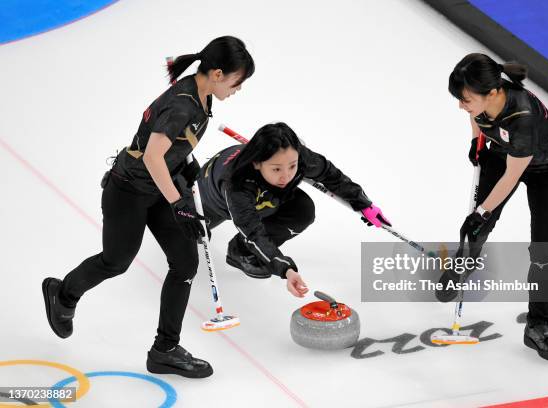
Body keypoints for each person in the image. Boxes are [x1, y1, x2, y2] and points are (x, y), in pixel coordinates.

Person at [42, 36, 255, 378]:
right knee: (116, 261)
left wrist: (188, 176)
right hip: (128, 191)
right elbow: (154, 156)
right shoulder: (183, 104)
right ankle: (62, 294)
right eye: (237, 81)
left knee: (185, 262)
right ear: (217, 74)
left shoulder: (201, 95)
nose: (238, 88)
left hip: (160, 186)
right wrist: (180, 205)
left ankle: (165, 351)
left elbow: (172, 150)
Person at [437, 53, 548, 361]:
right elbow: (477, 114)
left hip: (546, 169)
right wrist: (477, 140)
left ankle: (538, 325)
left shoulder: (523, 118)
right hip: (502, 152)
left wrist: (481, 211)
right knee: (476, 228)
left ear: (493, 93)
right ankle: (462, 266)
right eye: (459, 98)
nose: (461, 105)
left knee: (543, 252)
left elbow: (513, 175)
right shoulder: (483, 99)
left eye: (465, 99)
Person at [193, 122, 390, 297]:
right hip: (211, 201)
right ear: (257, 163)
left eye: (292, 166)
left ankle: (240, 253)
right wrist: (285, 268)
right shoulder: (236, 185)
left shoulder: (298, 157)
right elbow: (252, 232)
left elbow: (330, 175)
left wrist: (363, 203)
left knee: (302, 210)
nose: (286, 176)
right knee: (192, 237)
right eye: (277, 168)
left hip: (265, 197)